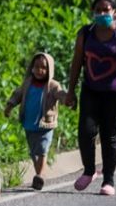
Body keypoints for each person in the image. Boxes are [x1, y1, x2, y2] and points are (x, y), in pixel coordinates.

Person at [65, 0, 116, 196]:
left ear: (115, 12)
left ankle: (109, 179)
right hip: (90, 90)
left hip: (115, 94)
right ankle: (89, 171)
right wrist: (70, 91)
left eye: (106, 10)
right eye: (98, 10)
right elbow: (77, 62)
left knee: (110, 136)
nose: (102, 13)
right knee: (86, 131)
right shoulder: (86, 33)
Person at [4, 52, 68, 190]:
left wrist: (67, 99)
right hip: (29, 123)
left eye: (43, 68)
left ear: (49, 69)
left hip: (46, 124)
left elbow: (61, 94)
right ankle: (40, 174)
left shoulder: (52, 85)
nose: (40, 70)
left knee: (42, 150)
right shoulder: (28, 83)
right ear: (32, 68)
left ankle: (40, 175)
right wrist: (10, 105)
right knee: (34, 152)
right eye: (37, 67)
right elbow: (17, 94)